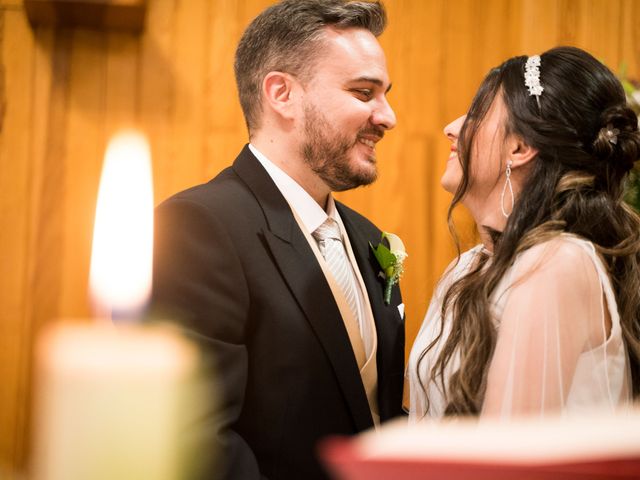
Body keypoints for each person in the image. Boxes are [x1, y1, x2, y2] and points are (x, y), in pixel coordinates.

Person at [151, 1, 405, 478]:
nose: (387, 116)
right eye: (364, 92)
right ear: (282, 94)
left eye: (385, 94)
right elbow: (197, 440)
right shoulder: (199, 226)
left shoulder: (369, 239)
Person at [408, 46, 640, 422]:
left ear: (520, 147)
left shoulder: (557, 263)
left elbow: (511, 455)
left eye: (478, 113)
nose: (452, 126)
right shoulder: (468, 267)